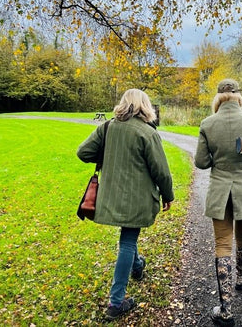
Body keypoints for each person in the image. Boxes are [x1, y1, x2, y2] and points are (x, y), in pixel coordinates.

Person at [77, 89, 174, 321]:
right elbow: (161, 171)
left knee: (128, 236)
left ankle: (137, 265)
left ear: (124, 104)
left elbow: (83, 152)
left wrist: (105, 154)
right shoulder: (147, 132)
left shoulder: (107, 127)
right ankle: (116, 302)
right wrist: (167, 195)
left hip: (112, 197)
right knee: (128, 240)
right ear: (144, 106)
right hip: (137, 198)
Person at [194, 79, 242, 327]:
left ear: (218, 98)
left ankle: (225, 310)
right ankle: (240, 277)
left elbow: (201, 163)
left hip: (220, 191)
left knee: (222, 244)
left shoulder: (207, 124)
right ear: (238, 97)